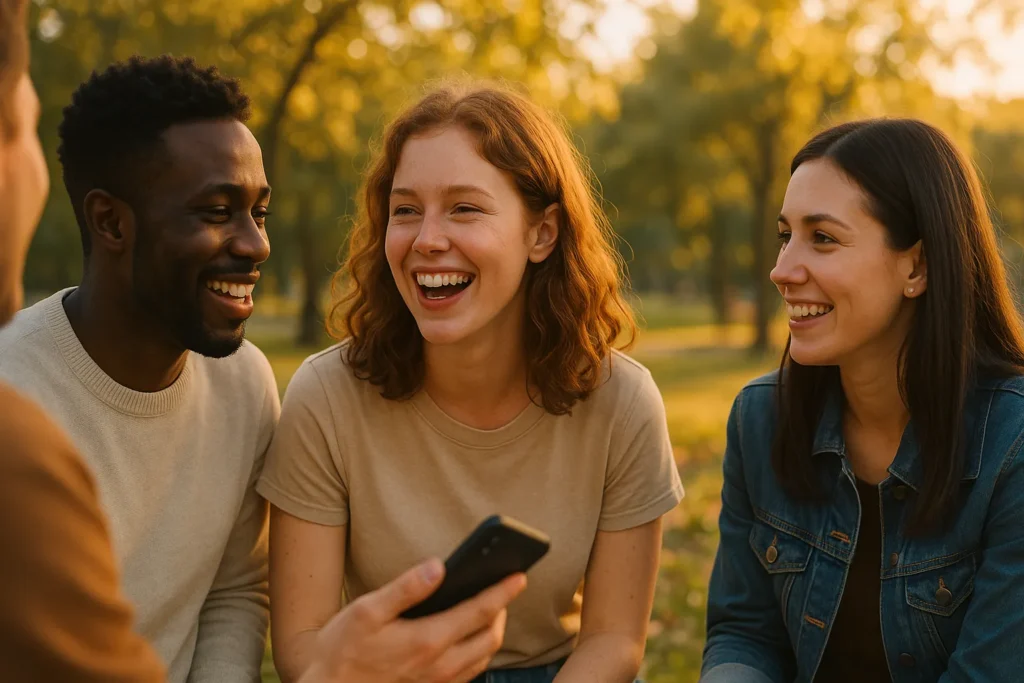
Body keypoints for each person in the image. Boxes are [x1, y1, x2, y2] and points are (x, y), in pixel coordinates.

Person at [0, 48, 523, 683]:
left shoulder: (243, 383)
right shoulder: (16, 403)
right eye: (217, 213)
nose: (256, 244)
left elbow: (234, 589)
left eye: (259, 212)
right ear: (111, 222)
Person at [257, 83, 685, 683]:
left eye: (465, 208)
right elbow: (304, 646)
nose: (427, 239)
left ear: (543, 234)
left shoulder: (622, 403)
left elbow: (614, 641)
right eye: (406, 210)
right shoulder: (326, 397)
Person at [700, 118, 1024, 683]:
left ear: (916, 266)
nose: (781, 270)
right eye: (785, 235)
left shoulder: (1011, 444)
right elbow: (745, 632)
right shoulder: (760, 420)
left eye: (822, 238)